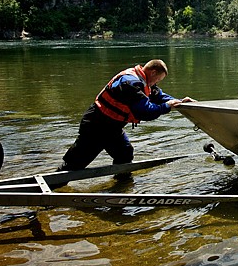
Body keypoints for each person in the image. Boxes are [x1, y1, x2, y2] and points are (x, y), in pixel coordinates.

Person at [57, 59, 194, 177]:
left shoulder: (144, 80)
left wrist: (179, 101)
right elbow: (145, 112)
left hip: (113, 127)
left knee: (125, 153)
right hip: (96, 125)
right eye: (158, 79)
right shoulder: (130, 83)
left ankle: (121, 187)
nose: (156, 83)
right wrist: (167, 106)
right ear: (152, 72)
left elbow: (159, 96)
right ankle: (49, 190)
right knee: (75, 163)